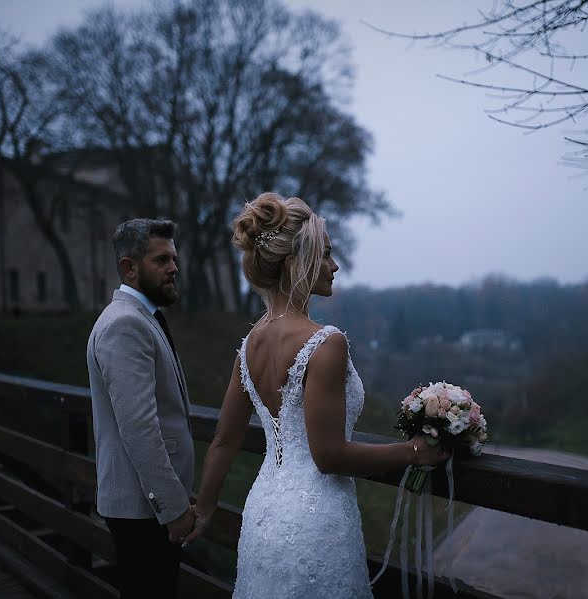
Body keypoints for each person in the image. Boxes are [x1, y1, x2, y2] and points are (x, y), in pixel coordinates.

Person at [185, 193, 449, 598]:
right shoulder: (326, 343)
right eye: (324, 255)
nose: (334, 265)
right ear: (297, 263)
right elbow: (328, 456)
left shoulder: (250, 344)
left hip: (261, 516)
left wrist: (203, 509)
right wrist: (414, 451)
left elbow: (224, 439)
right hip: (316, 521)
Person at [86, 218, 195, 599]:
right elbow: (139, 428)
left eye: (173, 259)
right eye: (161, 260)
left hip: (146, 507)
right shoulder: (124, 326)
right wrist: (173, 507)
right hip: (144, 510)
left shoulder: (141, 319)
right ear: (129, 268)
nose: (173, 268)